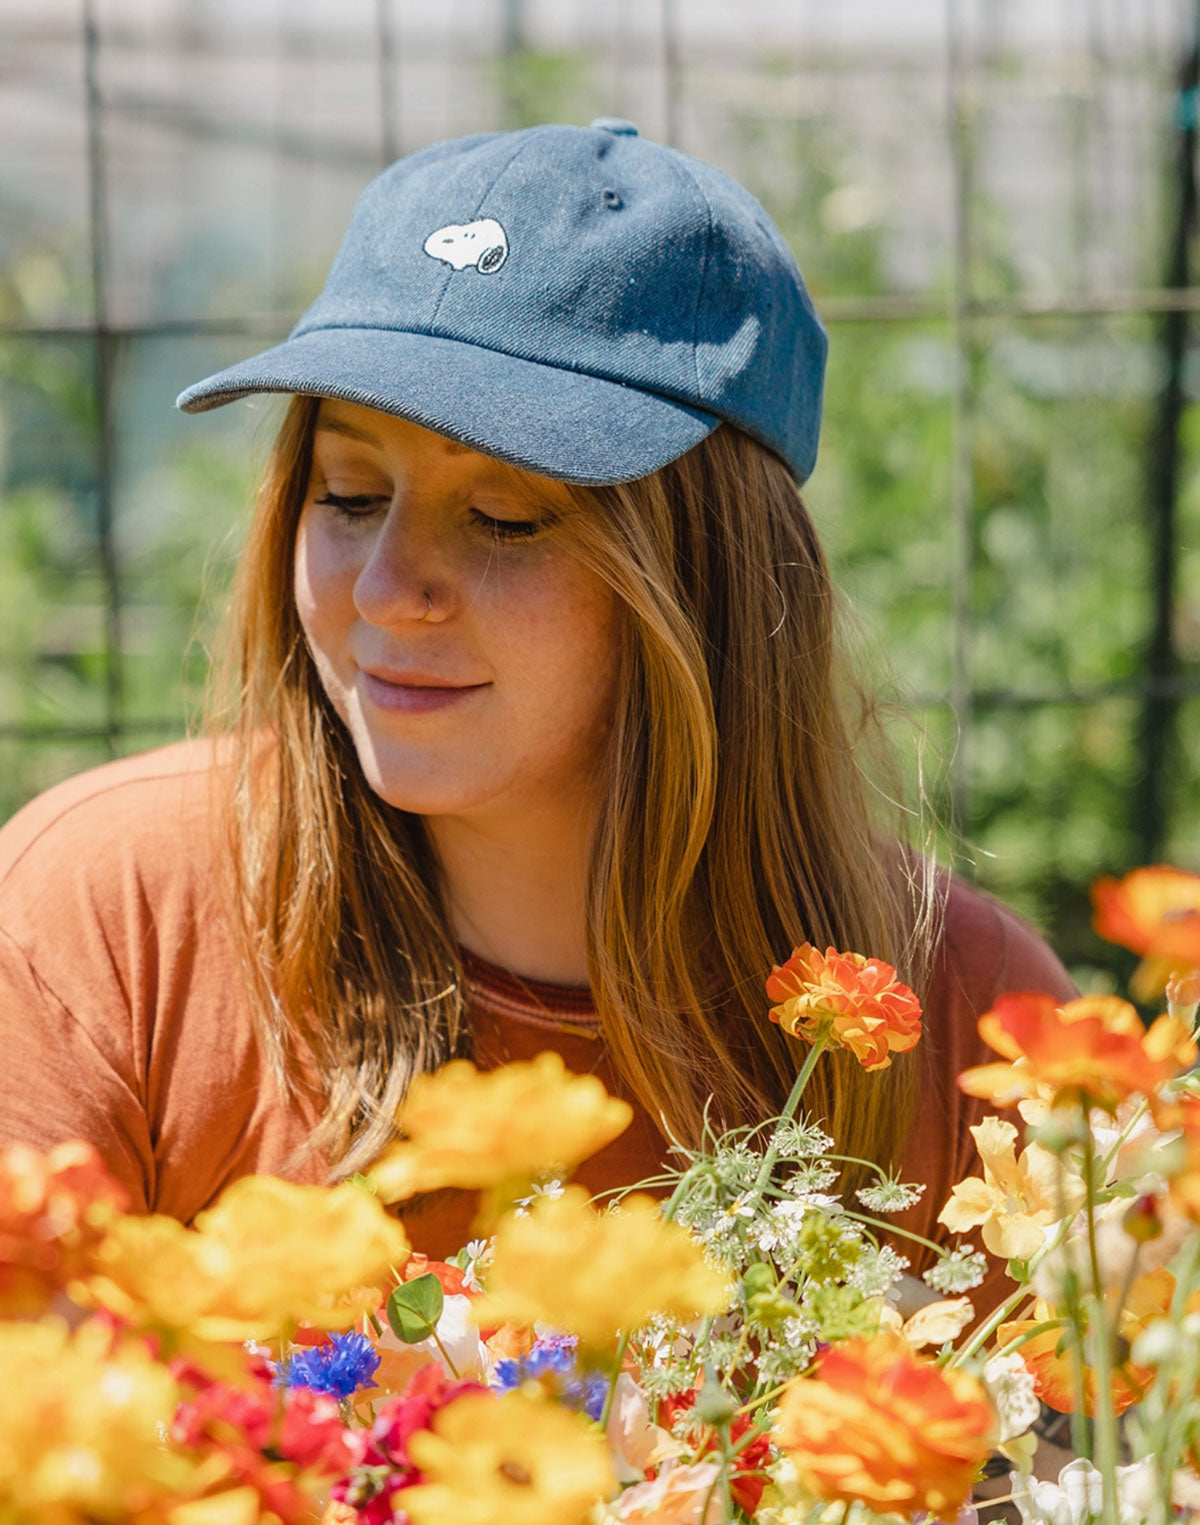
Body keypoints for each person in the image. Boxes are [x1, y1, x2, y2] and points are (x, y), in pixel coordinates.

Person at [0, 118, 1075, 1323]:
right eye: (348, 494)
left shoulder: (964, 1018)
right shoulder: (108, 916)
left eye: (505, 515)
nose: (382, 588)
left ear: (710, 578)